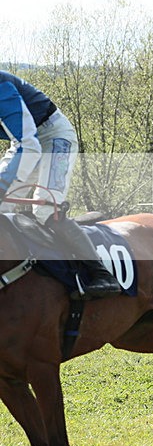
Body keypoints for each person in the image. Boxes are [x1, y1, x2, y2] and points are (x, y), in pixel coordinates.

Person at [0, 70, 121, 297]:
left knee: (46, 210)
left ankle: (101, 273)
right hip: (26, 141)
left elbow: (28, 145)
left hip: (54, 138)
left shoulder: (1, 86)